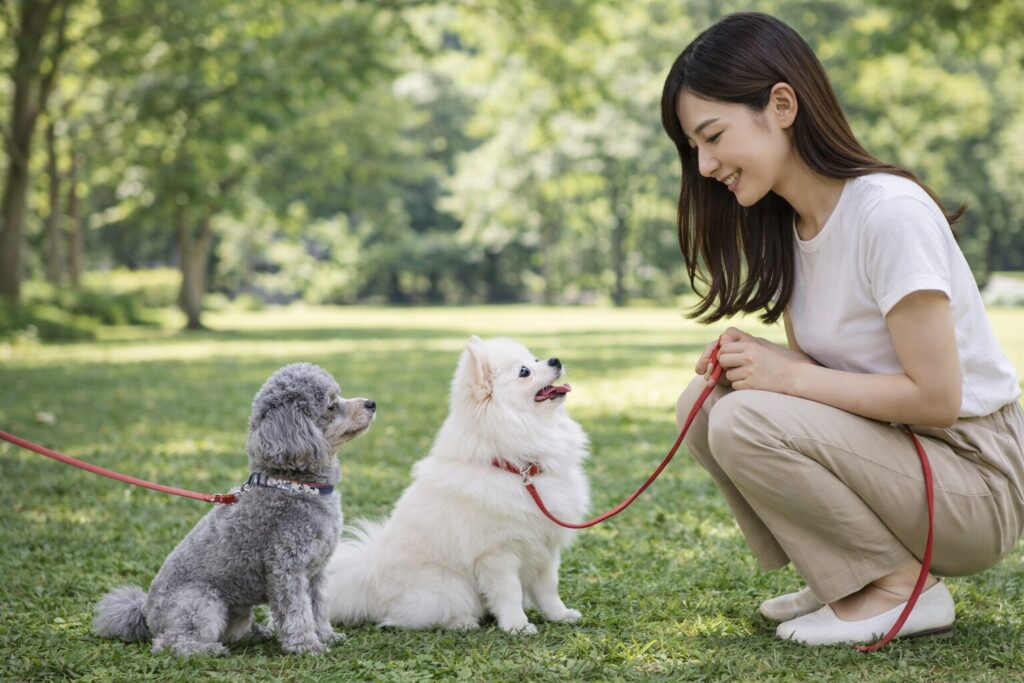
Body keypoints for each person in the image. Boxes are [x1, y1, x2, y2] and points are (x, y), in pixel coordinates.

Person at [661, 12, 1023, 646]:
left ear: (780, 105)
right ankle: (849, 574)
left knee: (747, 417)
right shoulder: (793, 226)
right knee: (705, 402)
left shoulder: (888, 214)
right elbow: (838, 380)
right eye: (694, 147)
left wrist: (787, 379)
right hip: (910, 459)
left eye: (712, 136)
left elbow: (938, 400)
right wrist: (769, 363)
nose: (706, 163)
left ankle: (897, 590)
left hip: (976, 478)